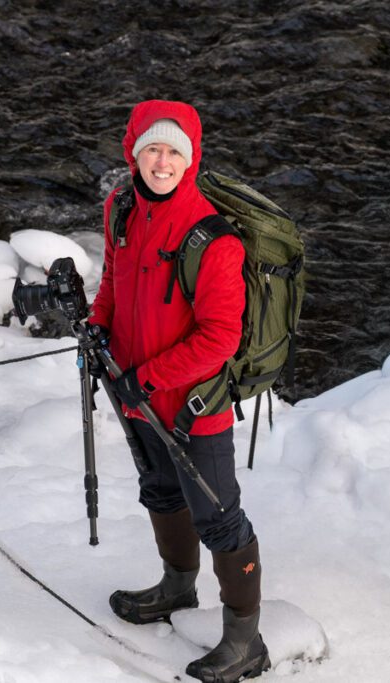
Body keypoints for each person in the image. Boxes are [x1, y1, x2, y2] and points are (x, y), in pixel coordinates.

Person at [88, 100, 271, 683]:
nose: (161, 162)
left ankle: (247, 640)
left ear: (189, 160)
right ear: (133, 152)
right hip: (133, 388)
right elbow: (114, 282)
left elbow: (221, 337)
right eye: (152, 148)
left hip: (194, 405)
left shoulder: (213, 240)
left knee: (219, 517)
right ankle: (176, 589)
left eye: (174, 151)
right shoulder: (121, 208)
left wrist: (148, 378)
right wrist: (98, 328)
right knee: (160, 491)